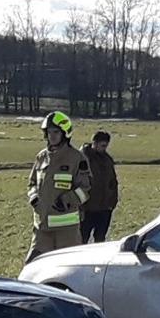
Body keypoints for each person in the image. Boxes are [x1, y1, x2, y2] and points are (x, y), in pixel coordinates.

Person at [27, 111, 91, 263]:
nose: (52, 136)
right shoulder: (41, 157)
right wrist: (34, 197)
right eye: (49, 132)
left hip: (66, 232)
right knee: (33, 267)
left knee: (68, 270)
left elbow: (86, 189)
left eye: (56, 132)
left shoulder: (77, 158)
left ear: (64, 133)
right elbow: (32, 183)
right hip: (42, 229)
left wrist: (66, 200)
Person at [81, 130, 119, 243]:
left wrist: (112, 202)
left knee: (100, 240)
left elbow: (113, 181)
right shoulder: (82, 159)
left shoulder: (107, 160)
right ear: (95, 143)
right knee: (82, 239)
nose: (104, 148)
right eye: (102, 145)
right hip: (87, 209)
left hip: (105, 208)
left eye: (106, 145)